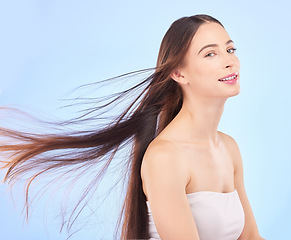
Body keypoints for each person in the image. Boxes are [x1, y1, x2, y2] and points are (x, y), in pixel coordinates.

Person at [0, 14, 265, 240]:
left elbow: (251, 237)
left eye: (230, 49)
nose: (230, 61)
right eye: (210, 54)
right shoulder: (166, 157)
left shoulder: (229, 148)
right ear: (179, 74)